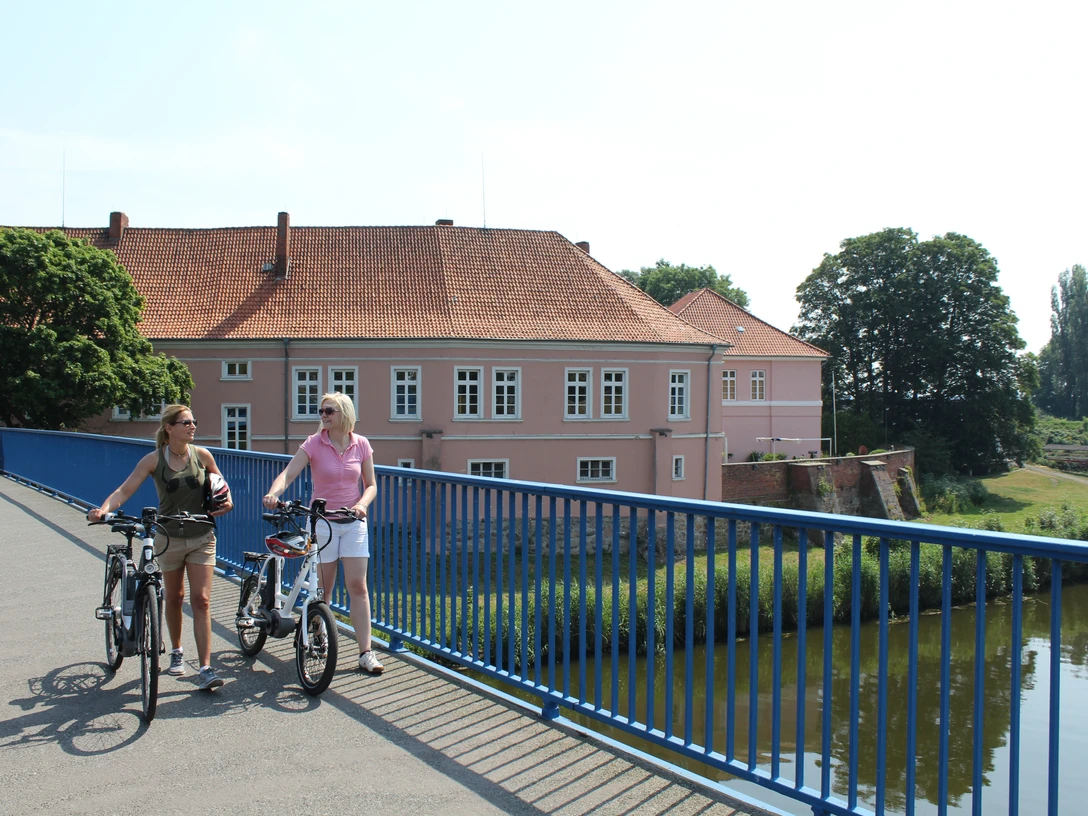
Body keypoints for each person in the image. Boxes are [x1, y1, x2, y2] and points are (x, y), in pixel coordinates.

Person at [89, 405, 233, 690]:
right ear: (170, 428)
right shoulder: (154, 460)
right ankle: (177, 651)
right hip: (168, 537)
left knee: (202, 600)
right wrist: (103, 509)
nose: (192, 426)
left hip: (202, 535)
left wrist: (225, 503)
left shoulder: (202, 456)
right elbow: (125, 489)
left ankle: (205, 668)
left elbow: (221, 488)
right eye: (186, 422)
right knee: (175, 596)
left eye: (194, 421)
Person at [262, 391, 384, 675]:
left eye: (329, 411)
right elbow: (289, 473)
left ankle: (366, 652)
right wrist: (273, 492)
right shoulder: (314, 444)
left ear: (344, 413)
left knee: (358, 587)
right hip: (322, 523)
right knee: (323, 590)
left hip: (353, 522)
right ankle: (319, 639)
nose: (324, 416)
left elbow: (371, 485)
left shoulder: (361, 444)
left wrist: (362, 504)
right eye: (322, 411)